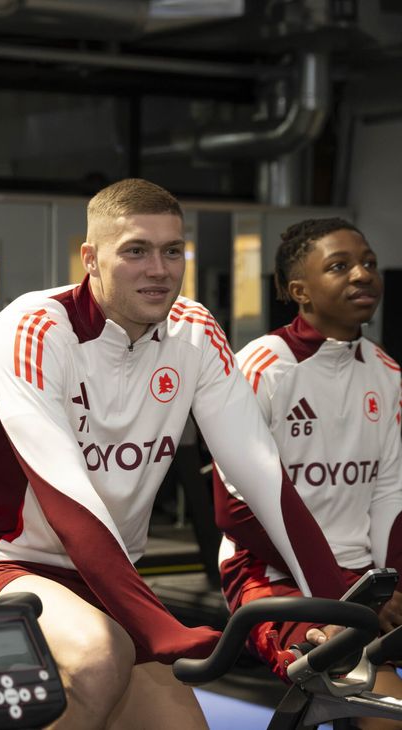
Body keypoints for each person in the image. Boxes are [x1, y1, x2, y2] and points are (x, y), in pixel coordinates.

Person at [0, 178, 347, 729]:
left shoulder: (194, 332)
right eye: (135, 251)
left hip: (106, 578)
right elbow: (66, 498)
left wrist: (336, 605)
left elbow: (261, 475)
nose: (159, 269)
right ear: (91, 259)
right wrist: (155, 624)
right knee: (98, 657)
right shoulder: (33, 329)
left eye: (172, 251)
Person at [214, 218, 402, 726]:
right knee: (382, 705)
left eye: (367, 262)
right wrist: (339, 589)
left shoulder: (386, 374)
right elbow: (236, 510)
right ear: (300, 291)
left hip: (362, 579)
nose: (362, 274)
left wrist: (390, 585)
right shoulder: (261, 367)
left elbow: (389, 492)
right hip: (272, 578)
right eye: (340, 266)